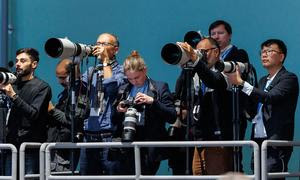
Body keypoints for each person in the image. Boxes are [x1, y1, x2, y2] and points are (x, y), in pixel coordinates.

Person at [227, 39, 299, 180]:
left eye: (269, 51)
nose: (264, 55)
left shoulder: (289, 78)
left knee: (272, 176)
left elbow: (271, 97)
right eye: (263, 52)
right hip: (258, 142)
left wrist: (242, 83)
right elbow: (254, 108)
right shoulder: (262, 81)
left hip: (274, 143)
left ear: (281, 56)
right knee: (257, 176)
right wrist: (239, 85)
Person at [177, 37, 234, 175]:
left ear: (216, 52)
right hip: (199, 138)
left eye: (204, 51)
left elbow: (212, 80)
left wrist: (196, 60)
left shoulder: (225, 70)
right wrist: (186, 66)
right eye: (198, 51)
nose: (200, 54)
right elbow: (180, 94)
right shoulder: (195, 73)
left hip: (217, 140)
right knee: (198, 176)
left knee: (216, 176)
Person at [114, 50, 176, 175]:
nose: (134, 82)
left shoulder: (159, 87)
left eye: (137, 77)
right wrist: (119, 110)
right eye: (129, 78)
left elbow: (172, 116)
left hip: (150, 146)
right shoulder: (123, 89)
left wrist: (152, 101)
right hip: (128, 144)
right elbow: (114, 120)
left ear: (145, 70)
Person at [209, 20, 253, 172]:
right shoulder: (206, 56)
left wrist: (218, 62)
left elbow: (235, 76)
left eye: (220, 33)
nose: (216, 37)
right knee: (212, 162)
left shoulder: (239, 53)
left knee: (232, 158)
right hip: (211, 114)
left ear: (229, 35)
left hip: (232, 112)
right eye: (213, 34)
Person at [79, 33, 125, 175]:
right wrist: (75, 60)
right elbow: (76, 86)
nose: (99, 47)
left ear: (115, 49)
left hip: (109, 136)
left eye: (104, 44)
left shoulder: (122, 70)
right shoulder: (91, 71)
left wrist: (105, 62)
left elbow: (112, 90)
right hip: (89, 135)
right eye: (97, 43)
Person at [0, 48, 52, 175]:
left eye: (23, 61)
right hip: (10, 147)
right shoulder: (13, 84)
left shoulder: (42, 87)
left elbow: (33, 113)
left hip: (30, 149)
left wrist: (13, 96)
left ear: (34, 64)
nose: (18, 64)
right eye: (17, 60)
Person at [47, 58, 88, 172]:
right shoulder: (66, 92)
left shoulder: (80, 91)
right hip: (56, 145)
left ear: (74, 74)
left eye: (63, 77)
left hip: (66, 149)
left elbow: (73, 120)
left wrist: (52, 110)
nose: (60, 81)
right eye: (58, 77)